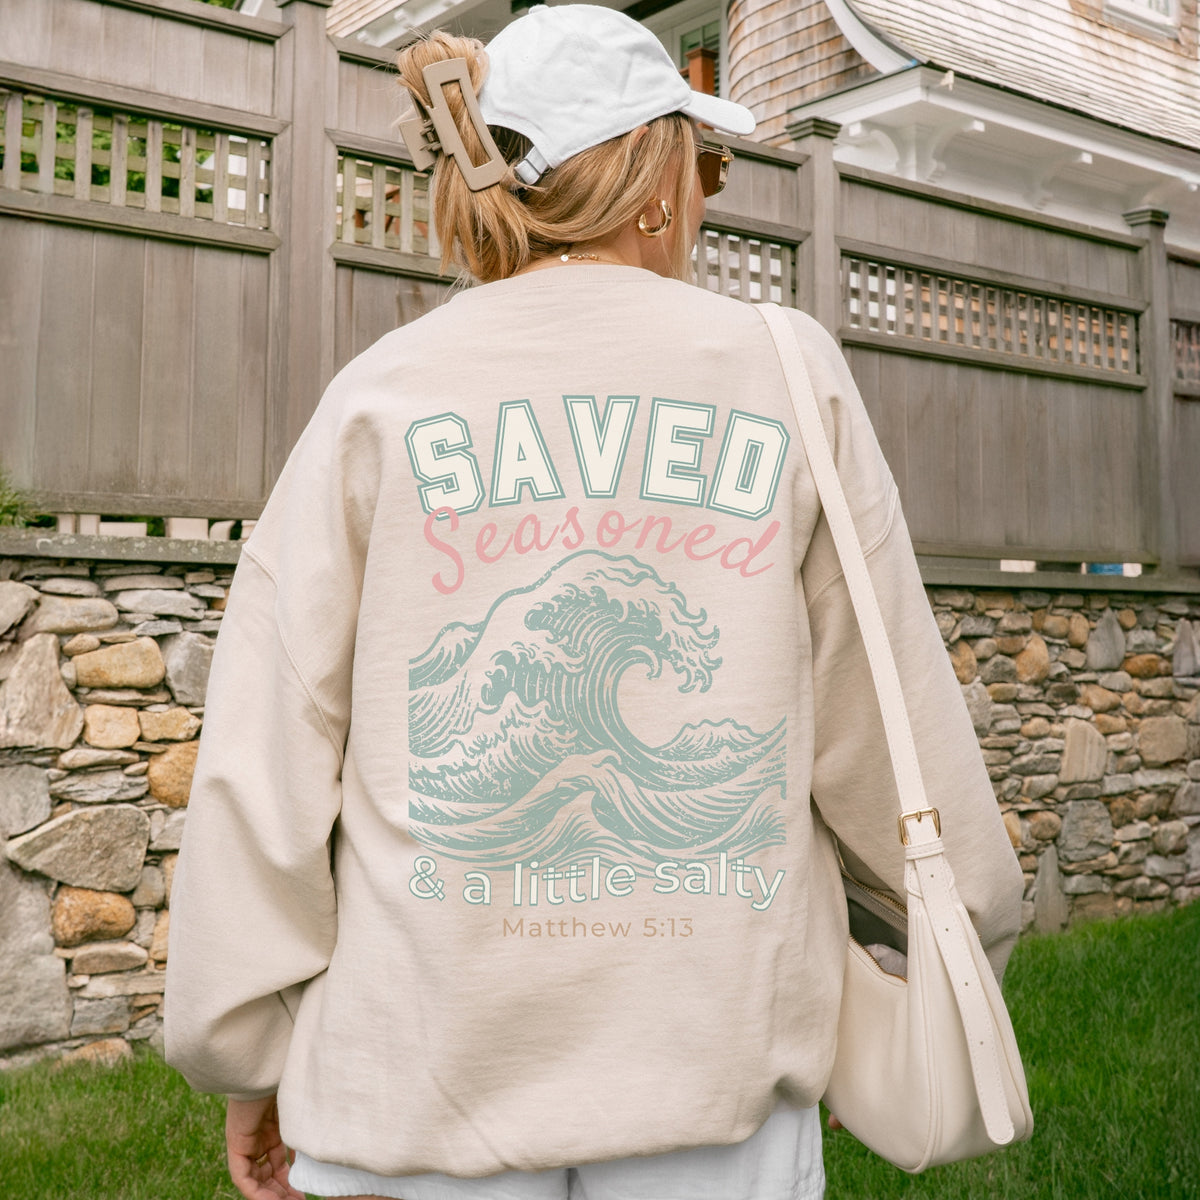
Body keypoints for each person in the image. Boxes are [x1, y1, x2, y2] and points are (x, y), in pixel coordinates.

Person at [163, 6, 1024, 1200]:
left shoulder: (378, 397)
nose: (708, 193)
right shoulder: (781, 369)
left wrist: (247, 1047)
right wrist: (961, 923)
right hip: (709, 1062)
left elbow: (269, 742)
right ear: (655, 179)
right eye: (705, 161)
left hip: (419, 1074)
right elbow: (879, 716)